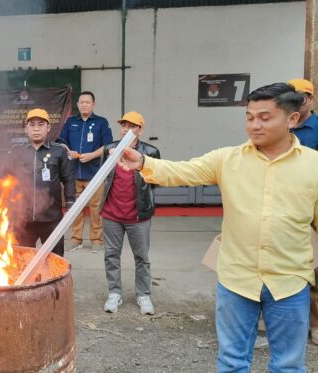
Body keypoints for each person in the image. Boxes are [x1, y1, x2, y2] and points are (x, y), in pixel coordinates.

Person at [118, 83, 316, 372]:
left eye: (265, 117)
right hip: (237, 281)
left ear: (292, 119)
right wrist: (143, 163)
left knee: (288, 364)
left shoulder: (313, 165)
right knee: (232, 362)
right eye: (249, 117)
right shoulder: (228, 159)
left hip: (289, 283)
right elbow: (182, 171)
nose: (254, 125)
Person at [99, 111, 160, 315]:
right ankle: (114, 293)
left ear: (140, 130)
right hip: (111, 214)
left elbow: (156, 181)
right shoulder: (110, 149)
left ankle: (143, 295)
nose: (126, 129)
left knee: (142, 256)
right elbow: (104, 176)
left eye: (131, 126)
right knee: (111, 255)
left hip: (138, 216)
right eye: (123, 125)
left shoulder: (150, 152)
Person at [4, 108, 75, 257]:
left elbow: (68, 179)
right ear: (26, 128)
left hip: (52, 219)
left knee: (54, 260)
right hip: (23, 220)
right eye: (32, 125)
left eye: (41, 124)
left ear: (48, 128)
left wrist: (70, 205)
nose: (36, 128)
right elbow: (6, 181)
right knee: (22, 261)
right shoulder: (17, 151)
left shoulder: (59, 151)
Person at [59, 91, 113, 251]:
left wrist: (92, 156)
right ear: (77, 104)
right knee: (75, 209)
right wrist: (69, 151)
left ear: (93, 104)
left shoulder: (101, 122)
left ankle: (97, 240)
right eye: (81, 102)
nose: (84, 104)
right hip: (73, 173)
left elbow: (108, 146)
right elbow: (62, 142)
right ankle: (76, 239)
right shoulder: (70, 122)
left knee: (96, 209)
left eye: (87, 102)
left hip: (95, 174)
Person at [288, 78, 318, 346]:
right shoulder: (279, 127)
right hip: (283, 206)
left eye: (301, 96)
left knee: (314, 268)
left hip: (311, 206)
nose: (296, 100)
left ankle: (315, 324)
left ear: (310, 99)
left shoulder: (316, 129)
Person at [288, 79, 318, 150]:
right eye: (290, 99)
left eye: (300, 99)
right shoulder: (280, 124)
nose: (294, 103)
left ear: (310, 99)